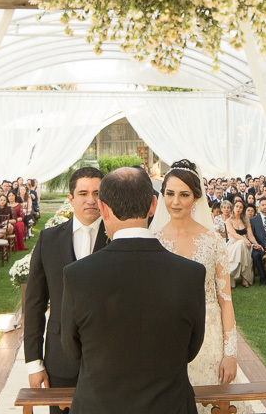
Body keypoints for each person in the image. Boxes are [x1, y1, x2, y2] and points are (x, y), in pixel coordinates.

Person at [61, 167, 205, 414]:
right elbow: (192, 347)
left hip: (99, 406)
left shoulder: (78, 275)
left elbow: (72, 349)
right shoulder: (190, 273)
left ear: (103, 208)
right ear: (153, 205)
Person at [24, 167, 108, 413]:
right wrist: (33, 362)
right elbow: (34, 303)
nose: (90, 199)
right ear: (71, 198)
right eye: (83, 193)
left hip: (108, 360)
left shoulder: (118, 238)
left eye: (97, 193)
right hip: (60, 359)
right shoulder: (48, 240)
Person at [151, 159, 239, 389]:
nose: (176, 202)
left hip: (208, 340)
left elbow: (226, 301)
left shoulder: (213, 242)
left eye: (184, 194)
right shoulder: (153, 242)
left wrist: (230, 354)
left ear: (196, 198)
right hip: (165, 340)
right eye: (170, 193)